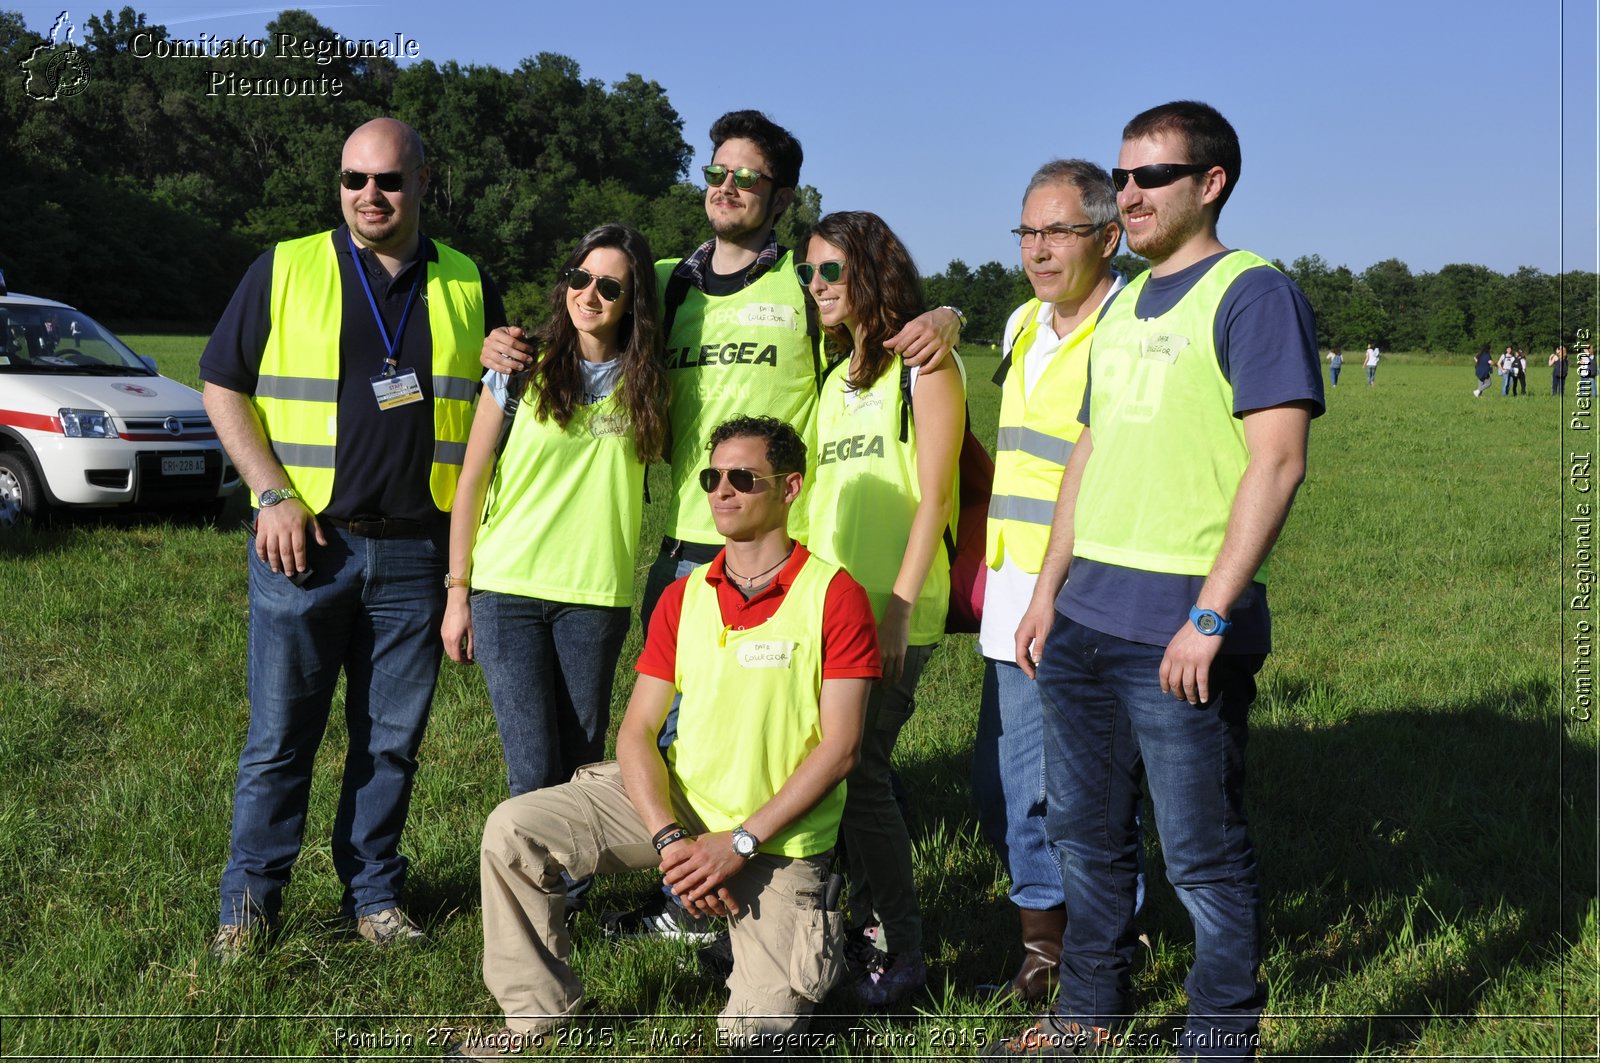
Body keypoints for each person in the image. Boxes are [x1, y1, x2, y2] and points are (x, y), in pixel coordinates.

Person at [482, 109, 962, 939]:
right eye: (717, 172)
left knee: (792, 736)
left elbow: (878, 318)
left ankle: (806, 900)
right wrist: (504, 347)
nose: (727, 188)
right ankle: (689, 894)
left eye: (747, 177)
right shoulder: (663, 279)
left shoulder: (803, 284)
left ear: (779, 195)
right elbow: (585, 324)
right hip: (684, 550)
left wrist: (947, 314)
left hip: (786, 554)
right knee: (681, 740)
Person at [992, 101, 1323, 1061]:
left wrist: (1211, 615)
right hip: (1083, 618)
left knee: (1202, 857)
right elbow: (1088, 454)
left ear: (1210, 184)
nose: (1127, 194)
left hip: (1179, 630)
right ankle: (1089, 1011)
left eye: (1151, 178)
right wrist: (1047, 592)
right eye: (1122, 176)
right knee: (1086, 840)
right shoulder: (1127, 298)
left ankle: (1220, 1032)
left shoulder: (1252, 292)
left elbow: (1278, 462)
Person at [454, 416, 880, 1059]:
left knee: (756, 1043)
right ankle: (537, 1022)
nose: (722, 492)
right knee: (515, 829)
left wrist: (737, 844)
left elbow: (841, 748)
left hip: (777, 838)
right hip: (679, 808)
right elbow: (637, 732)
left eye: (743, 478)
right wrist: (673, 844)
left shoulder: (835, 596)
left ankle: (767, 941)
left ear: (790, 489)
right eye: (713, 478)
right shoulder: (685, 596)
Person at [200, 118, 505, 958]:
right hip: (305, 546)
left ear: (423, 183)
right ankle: (248, 907)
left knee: (390, 745)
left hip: (416, 549)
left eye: (390, 181)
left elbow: (497, 401)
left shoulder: (467, 280)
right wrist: (270, 493)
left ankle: (373, 894)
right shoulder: (287, 265)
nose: (370, 195)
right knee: (279, 738)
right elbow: (222, 382)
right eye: (354, 179)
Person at [797, 210, 964, 1005]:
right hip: (830, 611)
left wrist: (898, 606)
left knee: (859, 769)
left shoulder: (922, 368)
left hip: (894, 607)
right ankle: (845, 927)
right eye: (808, 273)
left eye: (830, 270)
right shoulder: (837, 379)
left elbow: (935, 496)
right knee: (838, 771)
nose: (816, 286)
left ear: (870, 271)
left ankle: (903, 947)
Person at [441, 224, 668, 798]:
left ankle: (573, 888)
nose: (589, 296)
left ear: (632, 302)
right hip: (507, 588)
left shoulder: (651, 385)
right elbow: (471, 479)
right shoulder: (519, 368)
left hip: (596, 594)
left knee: (581, 764)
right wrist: (457, 592)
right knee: (533, 766)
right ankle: (527, 887)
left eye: (610, 288)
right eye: (580, 278)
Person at [971, 159, 1123, 1003]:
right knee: (1000, 783)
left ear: (1107, 236)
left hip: (1079, 585)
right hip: (1010, 587)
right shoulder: (1023, 324)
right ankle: (1054, 934)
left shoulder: (1127, 325)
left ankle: (1072, 949)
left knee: (1067, 785)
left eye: (1058, 230)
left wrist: (1056, 589)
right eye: (1027, 231)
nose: (1038, 248)